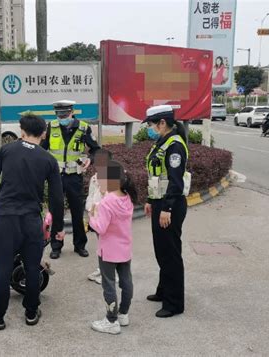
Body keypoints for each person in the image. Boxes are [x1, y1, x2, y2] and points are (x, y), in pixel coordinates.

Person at [0, 114, 65, 331]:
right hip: (31, 222)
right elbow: (57, 198)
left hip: (6, 220)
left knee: (2, 269)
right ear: (44, 134)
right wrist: (57, 229)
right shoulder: (48, 160)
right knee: (31, 268)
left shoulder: (7, 151)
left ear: (22, 131)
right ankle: (31, 312)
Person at [142, 105, 189, 318]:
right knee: (162, 250)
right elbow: (156, 175)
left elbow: (175, 181)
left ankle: (174, 303)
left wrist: (167, 208)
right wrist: (151, 200)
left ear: (162, 123)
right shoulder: (161, 142)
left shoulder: (175, 145)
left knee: (170, 253)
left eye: (151, 124)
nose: (150, 129)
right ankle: (163, 291)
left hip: (171, 205)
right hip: (160, 203)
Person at [41, 99, 100, 259]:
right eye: (59, 115)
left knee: (77, 212)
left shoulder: (83, 128)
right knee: (56, 212)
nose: (62, 117)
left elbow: (96, 149)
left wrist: (90, 159)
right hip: (56, 177)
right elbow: (42, 149)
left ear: (72, 112)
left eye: (65, 114)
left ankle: (80, 245)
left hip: (75, 176)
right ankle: (56, 245)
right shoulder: (50, 127)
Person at [88, 160, 137, 335]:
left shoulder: (107, 202)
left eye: (100, 178)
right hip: (124, 249)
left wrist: (91, 215)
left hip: (108, 251)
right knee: (126, 281)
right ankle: (124, 313)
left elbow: (100, 228)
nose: (98, 181)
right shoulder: (127, 197)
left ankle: (111, 320)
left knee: (108, 285)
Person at [86, 149, 113, 285]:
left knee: (109, 245)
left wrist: (104, 193)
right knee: (101, 244)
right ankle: (102, 269)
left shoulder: (113, 177)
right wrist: (90, 211)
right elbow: (91, 196)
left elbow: (116, 200)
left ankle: (111, 274)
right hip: (96, 217)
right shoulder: (95, 178)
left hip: (108, 219)